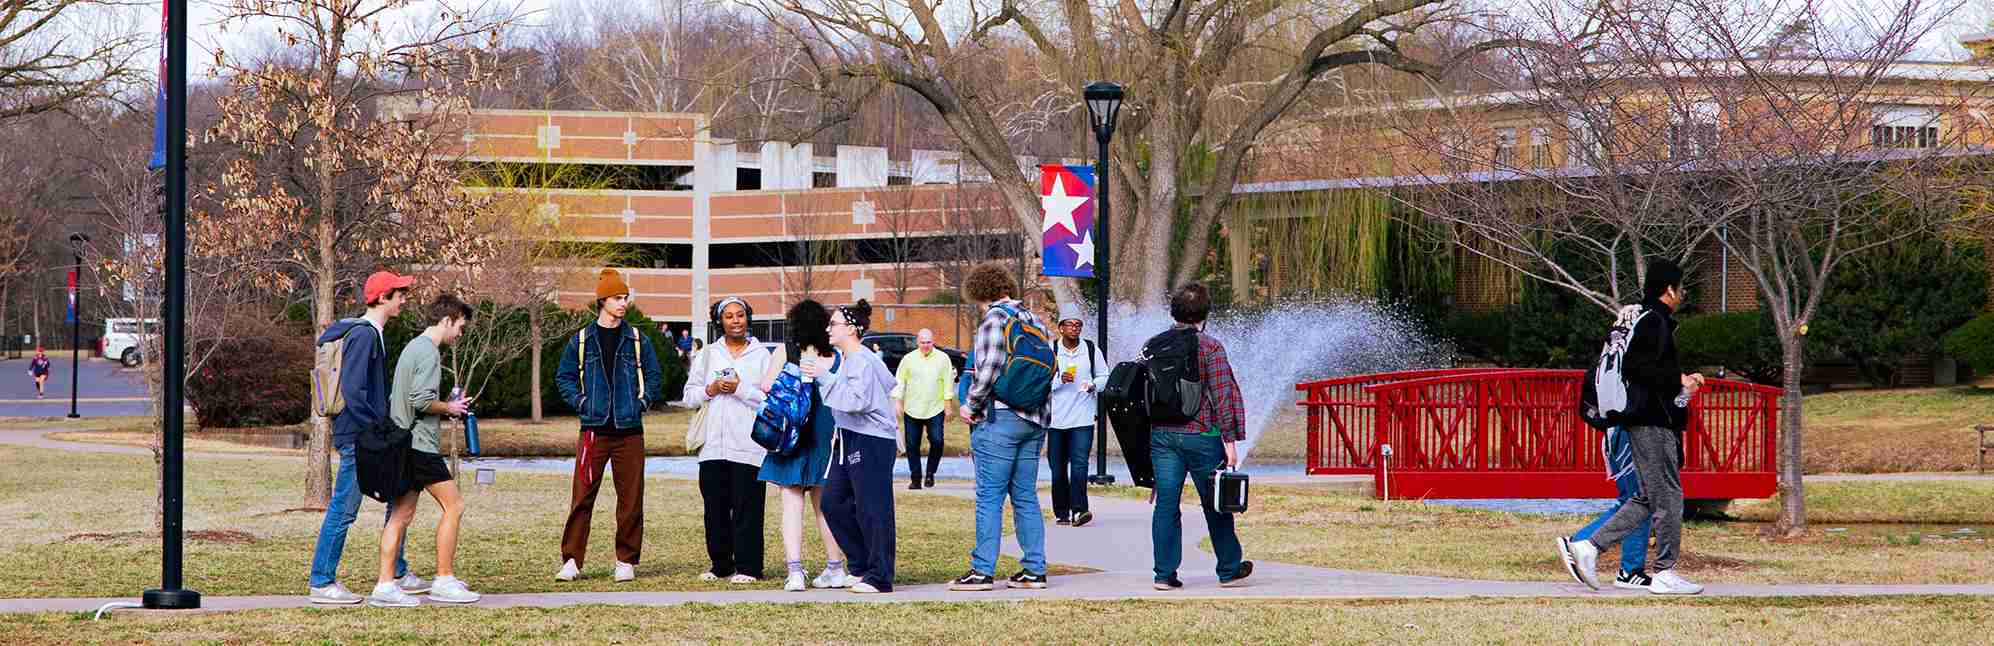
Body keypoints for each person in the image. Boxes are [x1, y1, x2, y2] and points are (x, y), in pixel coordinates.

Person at [1559, 259, 1707, 595]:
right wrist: (1679, 382)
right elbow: (1639, 369)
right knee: (1670, 497)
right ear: (1669, 289)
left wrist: (1681, 392)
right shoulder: (1654, 322)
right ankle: (1665, 572)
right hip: (1652, 422)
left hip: (1645, 420)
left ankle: (1588, 547)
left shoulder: (1641, 319)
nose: (1682, 294)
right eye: (1681, 288)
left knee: (1644, 497)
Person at [307, 270, 425, 604]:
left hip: (365, 434)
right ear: (383, 298)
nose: (403, 300)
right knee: (344, 510)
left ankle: (398, 571)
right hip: (360, 436)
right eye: (399, 294)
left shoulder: (371, 333)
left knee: (397, 495)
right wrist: (378, 429)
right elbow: (353, 389)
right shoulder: (365, 335)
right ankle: (321, 581)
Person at [553, 269, 665, 583]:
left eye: (625, 297)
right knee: (582, 496)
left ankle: (625, 560)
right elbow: (564, 377)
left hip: (630, 431)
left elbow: (654, 377)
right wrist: (581, 403)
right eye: (617, 298)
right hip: (593, 430)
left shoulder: (638, 339)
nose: (623, 303)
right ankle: (572, 560)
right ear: (602, 300)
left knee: (630, 499)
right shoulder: (582, 339)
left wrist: (642, 403)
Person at [370, 294, 481, 607]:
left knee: (400, 515)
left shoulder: (412, 347)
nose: (459, 334)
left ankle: (384, 586)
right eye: (459, 326)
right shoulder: (429, 352)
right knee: (455, 506)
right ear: (447, 321)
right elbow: (420, 401)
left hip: (403, 443)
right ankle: (444, 580)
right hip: (420, 446)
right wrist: (451, 407)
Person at [950, 263, 1052, 592]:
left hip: (1000, 419)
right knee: (1025, 496)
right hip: (1034, 420)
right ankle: (1034, 569)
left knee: (989, 497)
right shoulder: (1035, 321)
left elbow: (988, 370)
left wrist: (971, 405)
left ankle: (982, 570)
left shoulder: (994, 319)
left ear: (978, 292)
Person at [1148, 282, 1254, 591]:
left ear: (1174, 312)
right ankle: (1229, 569)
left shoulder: (1154, 344)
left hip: (1163, 436)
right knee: (1215, 503)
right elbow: (1222, 395)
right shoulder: (1210, 347)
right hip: (1202, 435)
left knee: (1166, 504)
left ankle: (1164, 574)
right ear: (1205, 314)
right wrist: (1230, 442)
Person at [758, 299, 852, 592]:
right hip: (827, 435)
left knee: (791, 503)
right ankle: (835, 568)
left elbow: (765, 386)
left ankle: (795, 572)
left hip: (791, 434)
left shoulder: (786, 351)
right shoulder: (836, 356)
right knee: (825, 506)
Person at [810, 300, 899, 594]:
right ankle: (861, 566)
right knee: (832, 502)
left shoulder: (861, 358)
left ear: (851, 329)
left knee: (873, 507)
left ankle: (879, 576)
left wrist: (824, 376)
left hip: (871, 440)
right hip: (848, 437)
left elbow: (857, 401)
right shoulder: (851, 358)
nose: (828, 328)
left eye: (833, 324)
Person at [683, 297, 772, 584]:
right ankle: (720, 565)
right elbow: (689, 397)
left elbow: (770, 402)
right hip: (712, 447)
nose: (736, 320)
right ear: (719, 321)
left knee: (748, 508)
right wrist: (709, 389)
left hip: (748, 447)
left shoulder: (763, 356)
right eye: (729, 316)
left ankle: (749, 568)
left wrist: (740, 389)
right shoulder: (708, 354)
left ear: (748, 319)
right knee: (715, 508)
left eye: (741, 315)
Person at [1562, 421, 1654, 590]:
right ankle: (1629, 570)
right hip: (1632, 432)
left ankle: (1628, 570)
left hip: (1622, 431)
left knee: (1633, 501)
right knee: (1641, 500)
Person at [1047, 304, 1108, 527]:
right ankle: (1062, 512)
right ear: (1061, 328)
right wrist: (1058, 380)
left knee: (1080, 465)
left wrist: (1093, 385)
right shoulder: (1051, 350)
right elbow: (1041, 381)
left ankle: (1080, 510)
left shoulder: (1091, 350)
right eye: (1070, 325)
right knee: (1058, 470)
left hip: (1082, 417)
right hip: (1056, 420)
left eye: (1078, 325)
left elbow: (1104, 376)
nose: (1074, 328)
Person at [892, 328, 953, 490]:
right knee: (912, 444)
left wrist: (948, 405)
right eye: (922, 342)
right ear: (917, 342)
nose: (926, 345)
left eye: (929, 342)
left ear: (933, 342)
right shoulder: (908, 359)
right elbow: (900, 381)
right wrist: (897, 401)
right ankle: (916, 478)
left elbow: (948, 382)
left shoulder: (943, 358)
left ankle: (930, 474)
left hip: (935, 407)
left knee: (937, 441)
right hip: (912, 408)